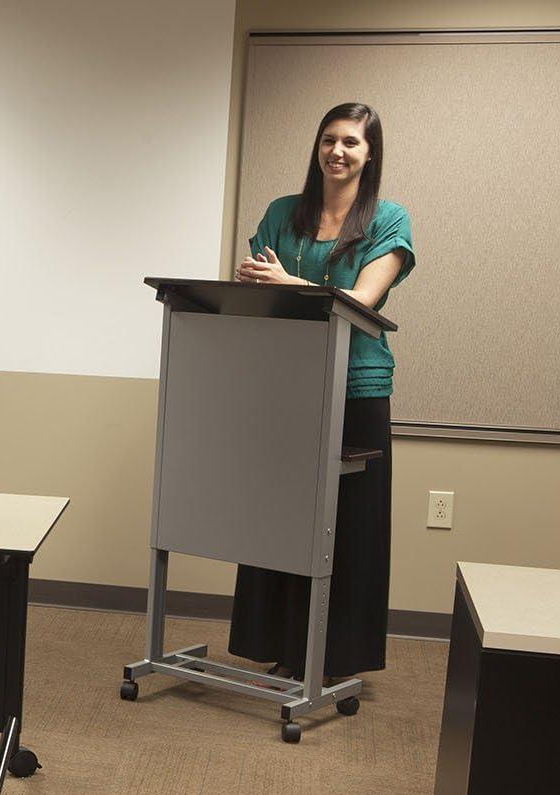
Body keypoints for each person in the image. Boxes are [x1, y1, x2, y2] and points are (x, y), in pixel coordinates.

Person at [230, 102, 415, 681]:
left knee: (349, 523)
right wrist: (261, 285)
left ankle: (338, 658)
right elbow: (261, 288)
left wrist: (289, 283)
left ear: (370, 153)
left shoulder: (389, 219)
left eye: (351, 143)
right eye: (328, 139)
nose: (338, 151)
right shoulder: (283, 212)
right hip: (287, 380)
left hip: (355, 388)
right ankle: (283, 647)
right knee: (283, 517)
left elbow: (362, 303)